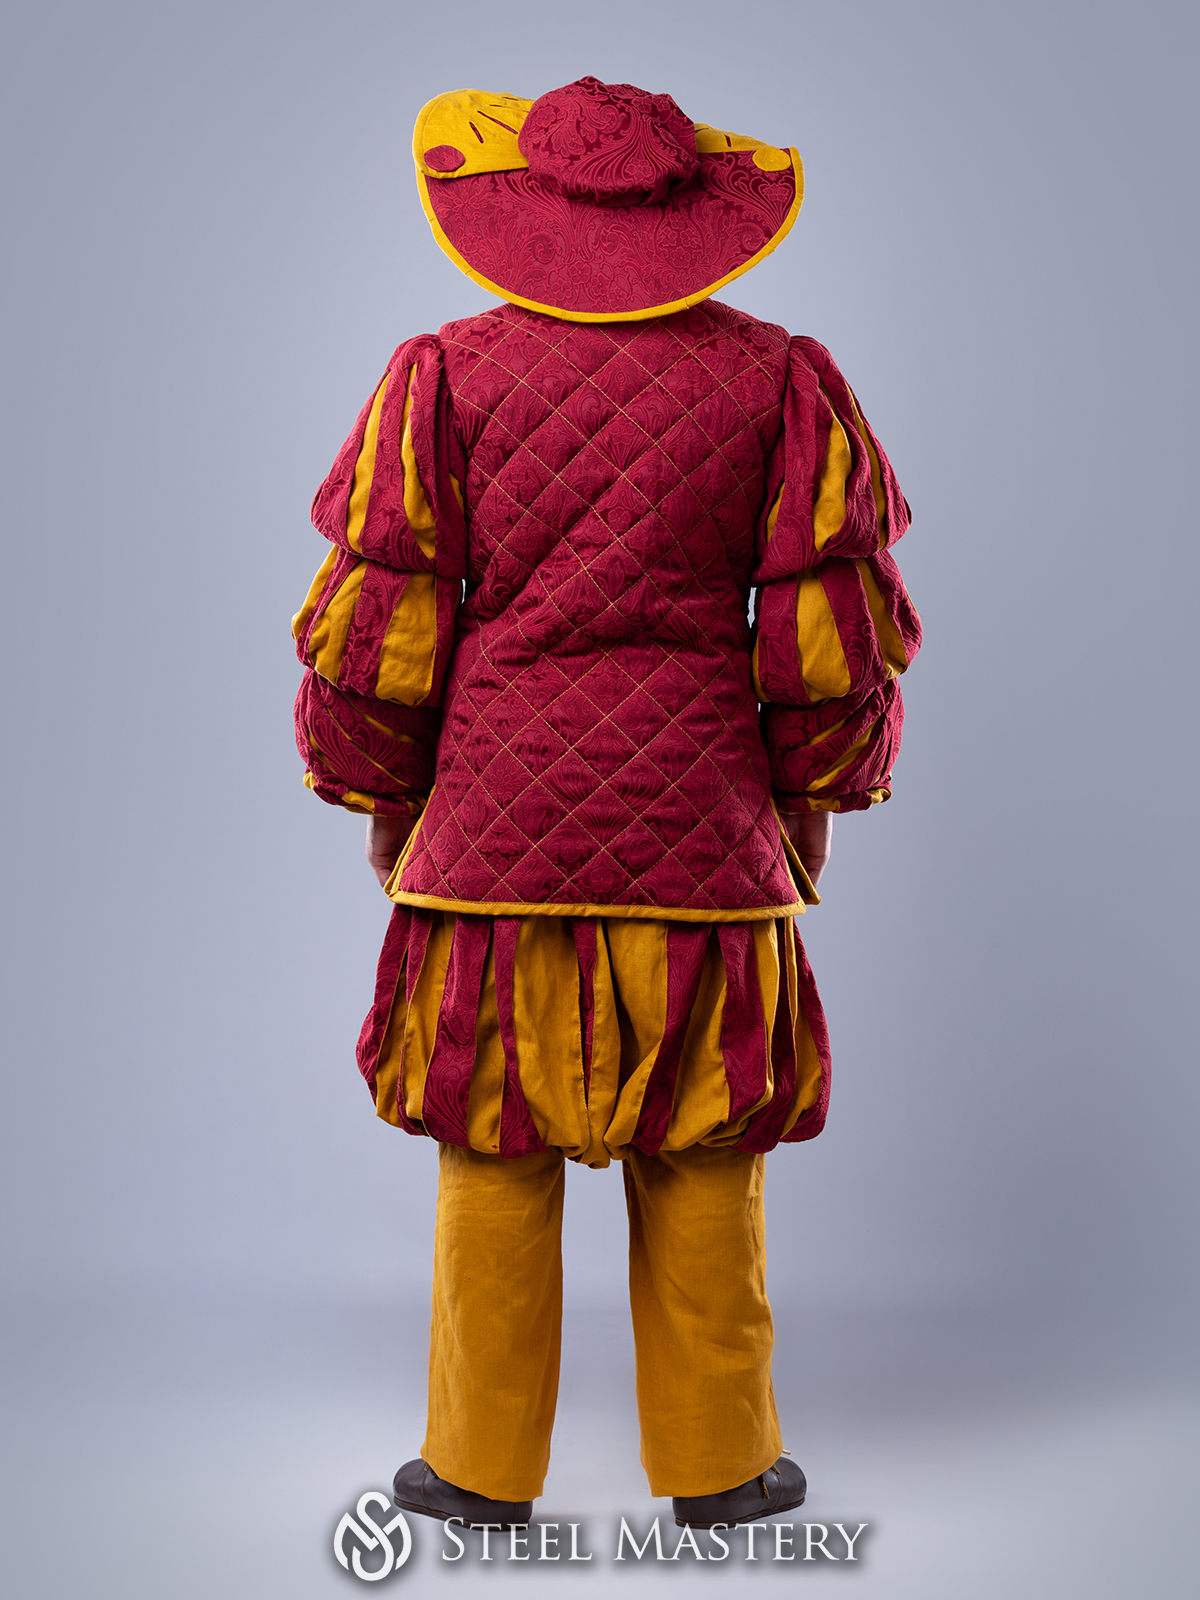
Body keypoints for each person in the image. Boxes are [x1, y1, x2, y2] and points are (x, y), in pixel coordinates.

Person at [292, 75, 920, 1531]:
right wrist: (815, 796)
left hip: (490, 833)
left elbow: (387, 620)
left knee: (491, 1146)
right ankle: (721, 1466)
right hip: (706, 834)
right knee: (702, 1148)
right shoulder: (777, 381)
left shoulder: (444, 376)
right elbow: (822, 634)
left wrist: (386, 795)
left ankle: (473, 1470)